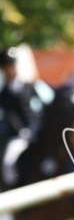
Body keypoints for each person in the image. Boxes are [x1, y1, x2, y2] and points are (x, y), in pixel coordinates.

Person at [0, 46, 46, 188]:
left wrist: (34, 127)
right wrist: (22, 131)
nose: (11, 69)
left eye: (13, 65)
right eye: (8, 67)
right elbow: (11, 116)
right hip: (19, 135)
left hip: (37, 131)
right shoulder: (4, 95)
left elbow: (40, 107)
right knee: (9, 160)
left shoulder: (30, 86)